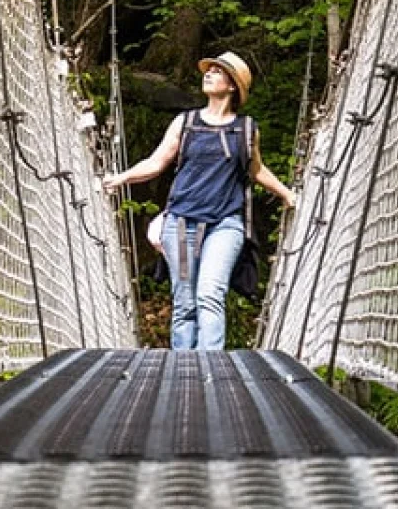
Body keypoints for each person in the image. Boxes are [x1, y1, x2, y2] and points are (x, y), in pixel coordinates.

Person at [102, 52, 297, 350]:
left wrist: (287, 193)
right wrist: (122, 177)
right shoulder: (186, 123)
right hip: (181, 222)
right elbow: (157, 162)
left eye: (218, 71)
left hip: (225, 223)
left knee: (209, 294)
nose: (209, 74)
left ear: (232, 86)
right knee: (184, 303)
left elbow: (256, 170)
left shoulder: (245, 129)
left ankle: (211, 368)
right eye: (210, 70)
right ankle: (184, 370)